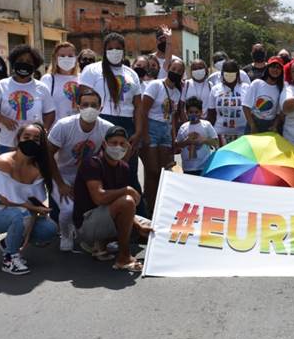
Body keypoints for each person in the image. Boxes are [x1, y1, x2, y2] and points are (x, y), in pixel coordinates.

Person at [0, 123, 57, 275]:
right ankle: (10, 258)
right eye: (26, 137)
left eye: (36, 139)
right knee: (20, 214)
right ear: (18, 139)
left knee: (48, 229)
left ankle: (8, 243)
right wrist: (34, 209)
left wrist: (26, 236)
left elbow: (33, 202)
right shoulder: (4, 162)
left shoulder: (38, 169)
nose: (30, 141)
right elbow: (6, 200)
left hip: (19, 210)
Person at [73, 126, 153, 272]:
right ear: (104, 144)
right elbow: (99, 198)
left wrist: (138, 226)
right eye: (114, 143)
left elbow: (122, 207)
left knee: (150, 226)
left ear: (128, 146)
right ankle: (123, 258)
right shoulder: (92, 163)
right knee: (128, 201)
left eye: (122, 144)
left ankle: (101, 244)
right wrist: (127, 190)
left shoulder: (124, 167)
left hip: (106, 216)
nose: (118, 147)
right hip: (86, 223)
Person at [78, 33, 144, 204]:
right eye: (110, 48)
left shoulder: (131, 74)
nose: (114, 51)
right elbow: (84, 99)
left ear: (124, 50)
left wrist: (138, 132)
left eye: (118, 48)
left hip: (126, 124)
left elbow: (138, 106)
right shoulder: (92, 70)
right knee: (101, 170)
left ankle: (134, 210)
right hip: (101, 121)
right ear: (104, 50)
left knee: (128, 170)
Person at [47, 88, 114, 251]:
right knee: (68, 210)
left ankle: (100, 237)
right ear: (78, 107)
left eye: (93, 105)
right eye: (85, 105)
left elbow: (112, 157)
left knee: (99, 206)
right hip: (62, 174)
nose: (89, 108)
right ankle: (66, 234)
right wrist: (60, 184)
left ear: (101, 108)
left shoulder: (107, 128)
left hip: (87, 176)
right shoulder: (64, 126)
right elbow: (48, 155)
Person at [0, 44, 55, 154]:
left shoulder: (42, 87)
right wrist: (2, 119)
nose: (24, 63)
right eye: (20, 60)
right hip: (8, 144)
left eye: (29, 62)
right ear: (13, 62)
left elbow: (50, 112)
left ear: (35, 66)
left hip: (34, 143)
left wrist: (44, 130)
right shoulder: (2, 85)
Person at [141, 58, 184, 214]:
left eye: (179, 71)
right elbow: (143, 111)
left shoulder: (177, 92)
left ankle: (162, 206)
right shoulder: (155, 85)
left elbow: (172, 117)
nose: (176, 73)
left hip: (166, 130)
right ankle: (149, 207)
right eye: (174, 69)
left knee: (165, 171)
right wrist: (145, 134)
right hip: (151, 128)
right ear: (168, 68)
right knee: (152, 171)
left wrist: (173, 137)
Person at [207, 59, 249, 146]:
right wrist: (209, 133)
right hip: (220, 133)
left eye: (232, 71)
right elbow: (211, 114)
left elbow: (250, 111)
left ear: (238, 73)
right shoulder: (215, 89)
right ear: (222, 73)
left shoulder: (246, 88)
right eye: (227, 71)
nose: (230, 74)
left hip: (242, 134)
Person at [176, 97, 218, 176]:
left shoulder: (206, 125)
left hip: (204, 166)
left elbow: (216, 142)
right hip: (188, 167)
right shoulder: (183, 127)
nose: (193, 114)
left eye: (196, 112)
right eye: (190, 112)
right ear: (186, 113)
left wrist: (203, 140)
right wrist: (187, 142)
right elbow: (177, 145)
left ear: (201, 112)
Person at [242, 57, 284, 134]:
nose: (275, 70)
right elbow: (246, 106)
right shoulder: (257, 83)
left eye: (278, 68)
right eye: (273, 67)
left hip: (270, 126)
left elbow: (279, 113)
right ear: (267, 68)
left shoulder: (281, 89)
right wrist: (252, 125)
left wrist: (274, 126)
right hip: (254, 122)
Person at [41, 42, 79, 123]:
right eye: (62, 56)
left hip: (77, 127)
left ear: (75, 58)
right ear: (55, 58)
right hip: (55, 127)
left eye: (70, 56)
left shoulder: (82, 78)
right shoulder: (48, 79)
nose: (66, 58)